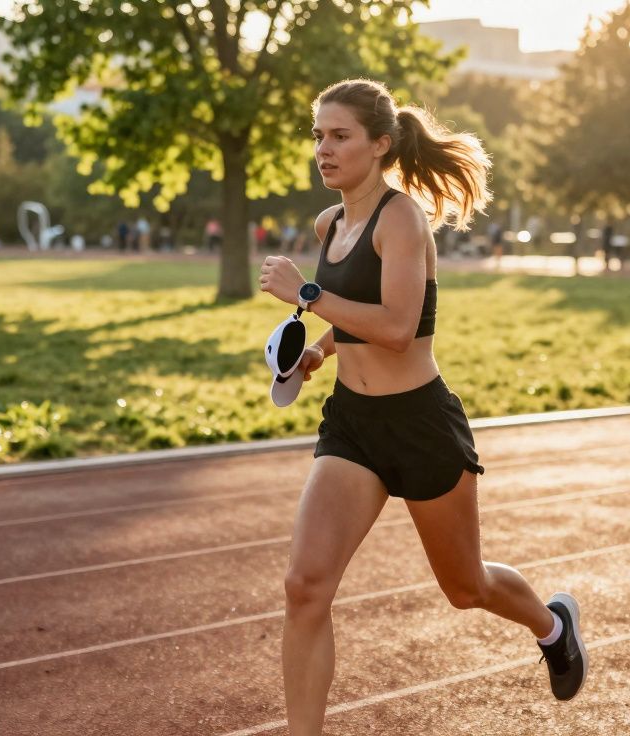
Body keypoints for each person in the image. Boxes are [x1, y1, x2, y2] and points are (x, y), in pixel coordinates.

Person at [259, 79, 588, 735]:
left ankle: (552, 625)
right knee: (305, 587)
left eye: (340, 135)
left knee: (466, 589)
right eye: (318, 135)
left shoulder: (402, 219)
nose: (324, 149)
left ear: (380, 144)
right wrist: (319, 352)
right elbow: (355, 315)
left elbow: (399, 325)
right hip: (353, 424)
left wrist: (306, 291)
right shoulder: (331, 224)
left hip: (419, 425)